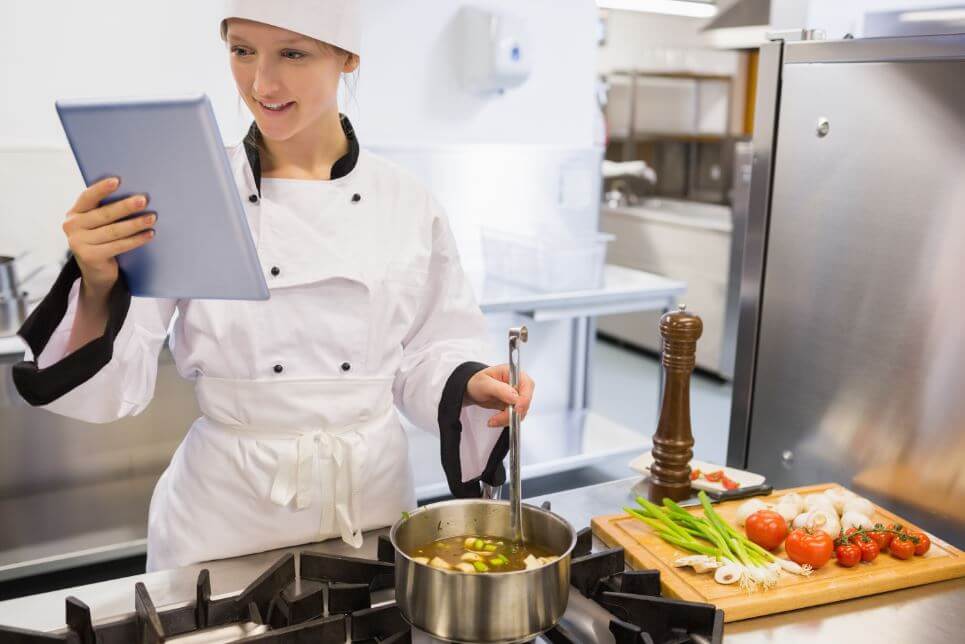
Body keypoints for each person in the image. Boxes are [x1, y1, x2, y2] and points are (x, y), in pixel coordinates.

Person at [12, 0, 535, 572]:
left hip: (369, 509)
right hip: (223, 517)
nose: (262, 82)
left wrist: (470, 382)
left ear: (348, 57)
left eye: (293, 53)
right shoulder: (189, 191)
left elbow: (427, 352)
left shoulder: (407, 202)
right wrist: (96, 279)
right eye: (242, 51)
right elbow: (121, 379)